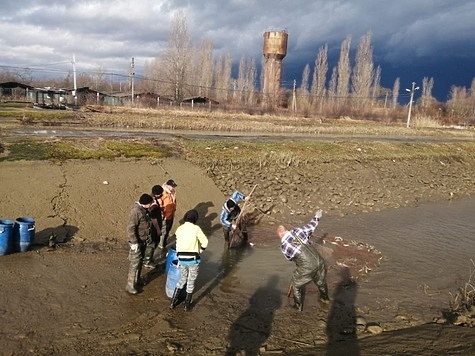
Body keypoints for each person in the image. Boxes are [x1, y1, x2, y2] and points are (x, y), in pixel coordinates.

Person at [277, 209, 330, 311]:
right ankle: (325, 299)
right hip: (319, 261)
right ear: (286, 230)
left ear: (280, 235)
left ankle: (298, 307)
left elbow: (290, 258)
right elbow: (311, 226)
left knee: (296, 283)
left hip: (307, 266)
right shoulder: (298, 231)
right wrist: (317, 216)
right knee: (321, 282)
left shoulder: (283, 246)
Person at [170, 209, 208, 311]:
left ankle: (173, 302)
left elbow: (177, 243)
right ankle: (186, 305)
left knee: (182, 279)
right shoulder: (196, 228)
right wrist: (201, 250)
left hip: (181, 259)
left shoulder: (180, 229)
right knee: (190, 281)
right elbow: (205, 241)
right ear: (195, 218)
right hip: (193, 259)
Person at [125, 193, 154, 295]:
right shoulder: (136, 211)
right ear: (145, 204)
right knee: (134, 263)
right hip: (137, 242)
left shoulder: (144, 210)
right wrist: (134, 242)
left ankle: (137, 280)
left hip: (144, 240)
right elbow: (131, 228)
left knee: (140, 261)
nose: (151, 205)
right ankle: (130, 285)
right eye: (150, 203)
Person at [143, 185, 164, 269]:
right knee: (152, 243)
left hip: (150, 226)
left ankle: (146, 258)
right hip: (153, 228)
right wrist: (158, 230)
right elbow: (154, 219)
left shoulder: (149, 199)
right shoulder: (153, 205)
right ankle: (147, 261)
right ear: (158, 194)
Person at [158, 179, 177, 251]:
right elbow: (160, 204)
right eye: (172, 186)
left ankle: (163, 242)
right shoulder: (162, 192)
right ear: (168, 186)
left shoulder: (172, 192)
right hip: (165, 216)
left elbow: (174, 202)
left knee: (168, 229)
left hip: (171, 214)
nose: (173, 188)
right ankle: (161, 245)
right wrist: (162, 215)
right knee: (164, 231)